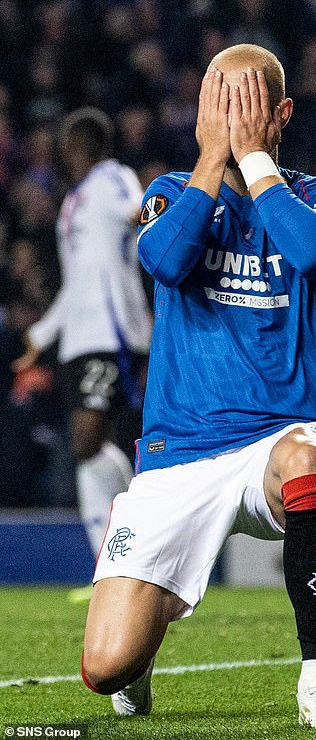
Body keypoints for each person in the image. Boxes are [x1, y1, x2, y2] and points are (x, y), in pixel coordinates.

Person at [80, 44, 316, 730]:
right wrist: (213, 158)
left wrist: (255, 160)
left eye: (246, 101)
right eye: (217, 101)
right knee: (106, 667)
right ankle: (147, 630)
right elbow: (165, 261)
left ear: (281, 113)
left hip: (278, 438)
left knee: (310, 457)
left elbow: (313, 253)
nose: (232, 116)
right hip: (181, 451)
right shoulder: (171, 191)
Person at [13, 108, 152, 600]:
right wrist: (43, 334)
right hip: (79, 339)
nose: (64, 154)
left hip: (113, 335)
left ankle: (138, 524)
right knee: (90, 448)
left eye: (69, 145)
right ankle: (111, 568)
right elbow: (77, 281)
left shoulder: (111, 177)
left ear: (83, 146)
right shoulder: (74, 201)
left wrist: (149, 216)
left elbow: (139, 210)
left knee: (86, 441)